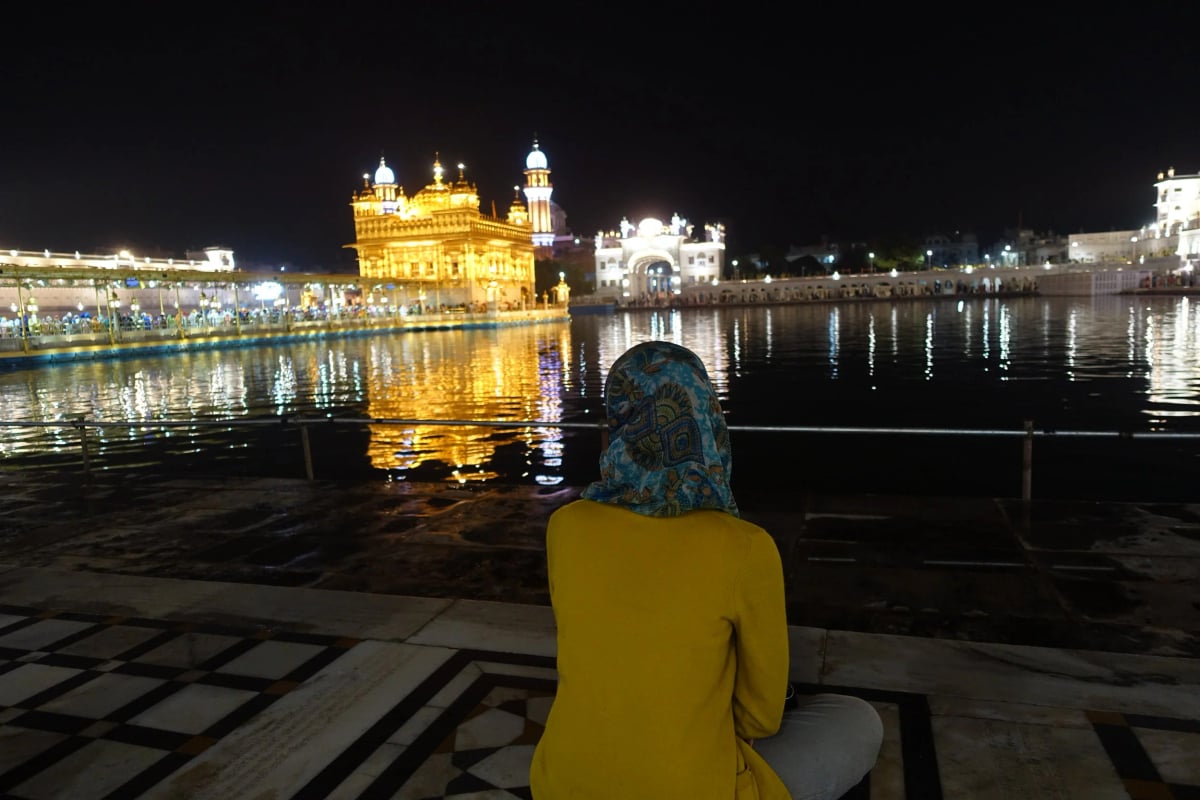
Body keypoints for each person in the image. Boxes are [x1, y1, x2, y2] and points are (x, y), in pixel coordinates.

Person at [529, 340, 882, 799]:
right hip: (693, 788)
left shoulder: (566, 526)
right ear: (706, 420)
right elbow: (760, 716)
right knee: (855, 719)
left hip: (561, 783)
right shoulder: (744, 548)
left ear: (618, 422)